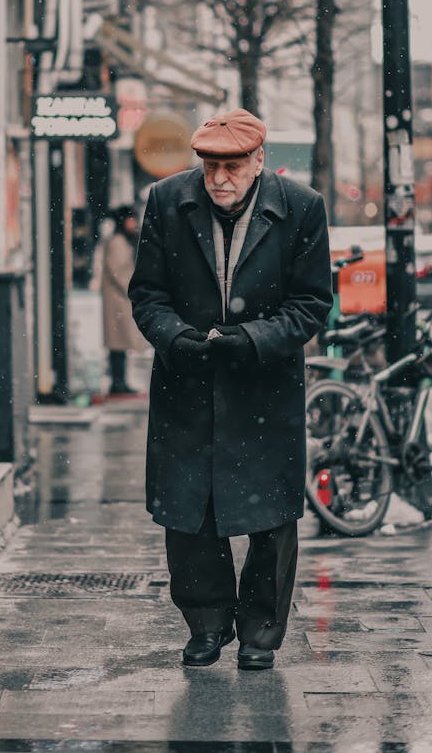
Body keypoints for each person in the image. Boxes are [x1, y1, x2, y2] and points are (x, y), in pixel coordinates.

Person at [128, 108, 332, 671]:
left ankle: (261, 635)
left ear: (259, 160)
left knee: (270, 517)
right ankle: (207, 624)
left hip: (264, 387)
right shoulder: (166, 202)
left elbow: (312, 303)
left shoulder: (303, 208)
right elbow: (147, 294)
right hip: (185, 384)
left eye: (233, 166)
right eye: (210, 165)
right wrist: (175, 338)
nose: (220, 177)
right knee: (189, 512)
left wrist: (254, 339)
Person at [100, 205, 146, 396]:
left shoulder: (119, 241)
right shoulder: (118, 242)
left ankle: (119, 382)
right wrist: (135, 290)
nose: (133, 223)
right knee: (118, 343)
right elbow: (121, 272)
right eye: (130, 219)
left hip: (118, 300)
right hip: (117, 301)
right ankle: (118, 383)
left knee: (119, 344)